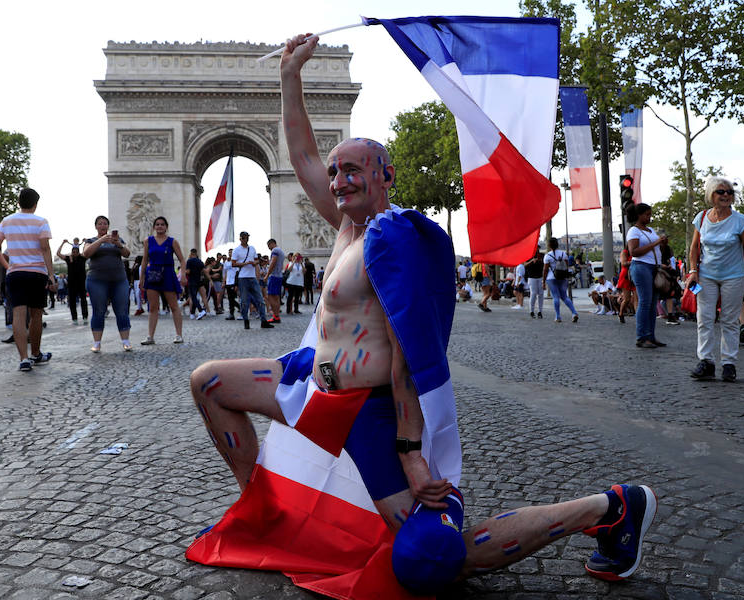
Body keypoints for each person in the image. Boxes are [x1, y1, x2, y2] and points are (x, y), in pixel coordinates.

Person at [186, 33, 657, 595]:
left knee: (432, 557)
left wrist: (411, 450)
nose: (338, 180)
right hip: (310, 384)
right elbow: (303, 153)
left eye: (355, 169)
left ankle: (609, 508)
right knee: (209, 382)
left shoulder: (392, 236)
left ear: (386, 175)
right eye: (336, 172)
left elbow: (411, 350)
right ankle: (264, 509)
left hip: (372, 412)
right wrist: (291, 76)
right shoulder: (345, 225)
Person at [687, 177, 744, 382]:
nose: (726, 195)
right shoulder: (702, 217)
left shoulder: (741, 221)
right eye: (720, 192)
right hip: (706, 276)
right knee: (704, 318)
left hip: (734, 276)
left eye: (729, 192)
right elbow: (694, 248)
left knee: (730, 320)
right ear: (711, 195)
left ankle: (729, 364)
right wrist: (692, 271)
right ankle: (706, 362)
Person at [0, 188, 56, 372]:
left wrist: (8, 265)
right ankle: (36, 353)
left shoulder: (7, 221)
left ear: (18, 203)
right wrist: (50, 274)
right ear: (36, 204)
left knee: (18, 316)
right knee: (36, 315)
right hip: (37, 272)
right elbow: (45, 249)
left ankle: (23, 359)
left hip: (16, 273)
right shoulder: (41, 222)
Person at [82, 216, 132, 352]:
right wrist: (101, 240)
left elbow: (127, 253)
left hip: (119, 280)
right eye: (100, 224)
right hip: (97, 280)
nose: (103, 226)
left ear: (108, 226)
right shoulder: (90, 241)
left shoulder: (118, 240)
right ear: (96, 226)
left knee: (122, 310)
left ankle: (126, 341)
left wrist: (118, 244)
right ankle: (97, 343)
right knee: (99, 310)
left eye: (105, 223)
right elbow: (86, 253)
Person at [139, 216, 186, 344]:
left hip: (168, 274)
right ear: (154, 227)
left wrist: (183, 275)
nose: (160, 226)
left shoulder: (172, 241)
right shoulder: (147, 241)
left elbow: (182, 259)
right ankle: (150, 336)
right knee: (153, 307)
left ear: (166, 227)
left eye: (162, 224)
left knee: (173, 306)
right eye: (157, 224)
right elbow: (144, 260)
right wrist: (141, 277)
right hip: (153, 274)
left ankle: (178, 335)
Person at [627, 204, 668, 348]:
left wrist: (662, 244)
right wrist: (656, 242)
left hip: (653, 267)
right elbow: (634, 252)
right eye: (647, 215)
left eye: (650, 214)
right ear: (639, 215)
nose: (649, 217)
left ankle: (651, 336)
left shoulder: (650, 230)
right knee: (645, 302)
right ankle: (642, 337)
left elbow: (657, 249)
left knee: (652, 303)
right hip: (641, 266)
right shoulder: (633, 231)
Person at [231, 231, 273, 329]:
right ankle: (246, 320)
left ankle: (263, 321)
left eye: (247, 237)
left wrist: (255, 263)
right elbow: (233, 263)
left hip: (252, 277)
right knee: (244, 301)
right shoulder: (236, 250)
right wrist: (245, 264)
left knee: (260, 300)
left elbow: (257, 260)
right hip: (242, 278)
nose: (246, 239)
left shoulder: (252, 248)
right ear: (240, 239)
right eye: (244, 238)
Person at [542, 238, 578, 323]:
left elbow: (545, 270)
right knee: (564, 296)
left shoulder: (547, 256)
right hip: (563, 277)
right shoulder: (563, 253)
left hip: (551, 278)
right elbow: (566, 266)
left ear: (549, 245)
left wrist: (543, 281)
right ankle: (574, 312)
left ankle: (558, 316)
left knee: (556, 297)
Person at [265, 238, 284, 322]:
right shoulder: (281, 251)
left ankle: (275, 315)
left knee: (270, 296)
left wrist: (267, 275)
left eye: (268, 246)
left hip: (274, 276)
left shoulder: (275, 251)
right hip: (279, 275)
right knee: (276, 297)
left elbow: (273, 263)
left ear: (271, 244)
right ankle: (277, 316)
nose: (269, 248)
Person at [616, 246, 636, 324]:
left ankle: (638, 316)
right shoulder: (624, 252)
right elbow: (623, 263)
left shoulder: (636, 252)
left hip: (634, 275)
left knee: (636, 298)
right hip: (626, 276)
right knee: (627, 299)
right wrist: (634, 262)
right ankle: (621, 313)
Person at [185, 249, 207, 320]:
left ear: (191, 254)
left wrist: (184, 271)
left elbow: (188, 272)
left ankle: (201, 310)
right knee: (195, 297)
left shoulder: (189, 261)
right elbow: (204, 271)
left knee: (193, 297)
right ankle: (193, 313)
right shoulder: (200, 261)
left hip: (192, 281)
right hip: (198, 281)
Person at [525, 251, 544, 319]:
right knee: (533, 294)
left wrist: (539, 260)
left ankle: (540, 311)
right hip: (532, 277)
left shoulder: (541, 255)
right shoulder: (528, 256)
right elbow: (524, 264)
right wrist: (532, 261)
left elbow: (545, 266)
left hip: (540, 277)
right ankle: (531, 311)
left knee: (541, 294)